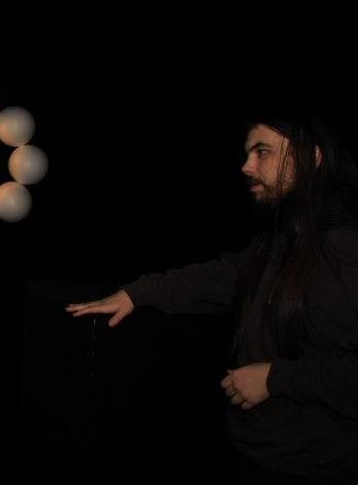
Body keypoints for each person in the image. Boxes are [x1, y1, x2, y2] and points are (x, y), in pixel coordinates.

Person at [66, 100, 357, 484]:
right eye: (248, 153)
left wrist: (275, 378)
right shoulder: (286, 238)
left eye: (263, 152)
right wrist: (137, 294)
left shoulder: (341, 250)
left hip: (315, 469)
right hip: (262, 455)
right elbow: (228, 275)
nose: (246, 166)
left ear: (311, 158)